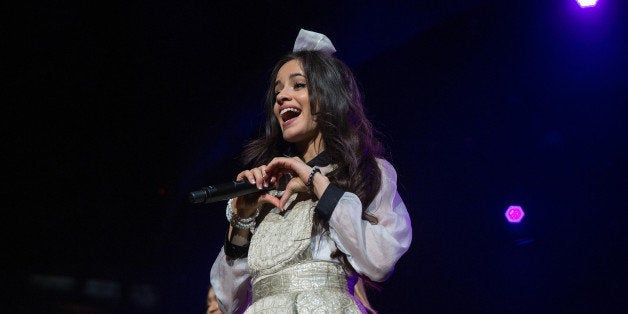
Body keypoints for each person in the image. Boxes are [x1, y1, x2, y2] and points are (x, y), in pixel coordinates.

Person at [209, 29, 412, 313]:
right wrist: (241, 221)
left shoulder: (367, 171)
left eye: (298, 85)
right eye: (277, 91)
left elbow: (380, 260)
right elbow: (229, 302)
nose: (281, 97)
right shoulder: (268, 190)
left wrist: (315, 182)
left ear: (328, 96)